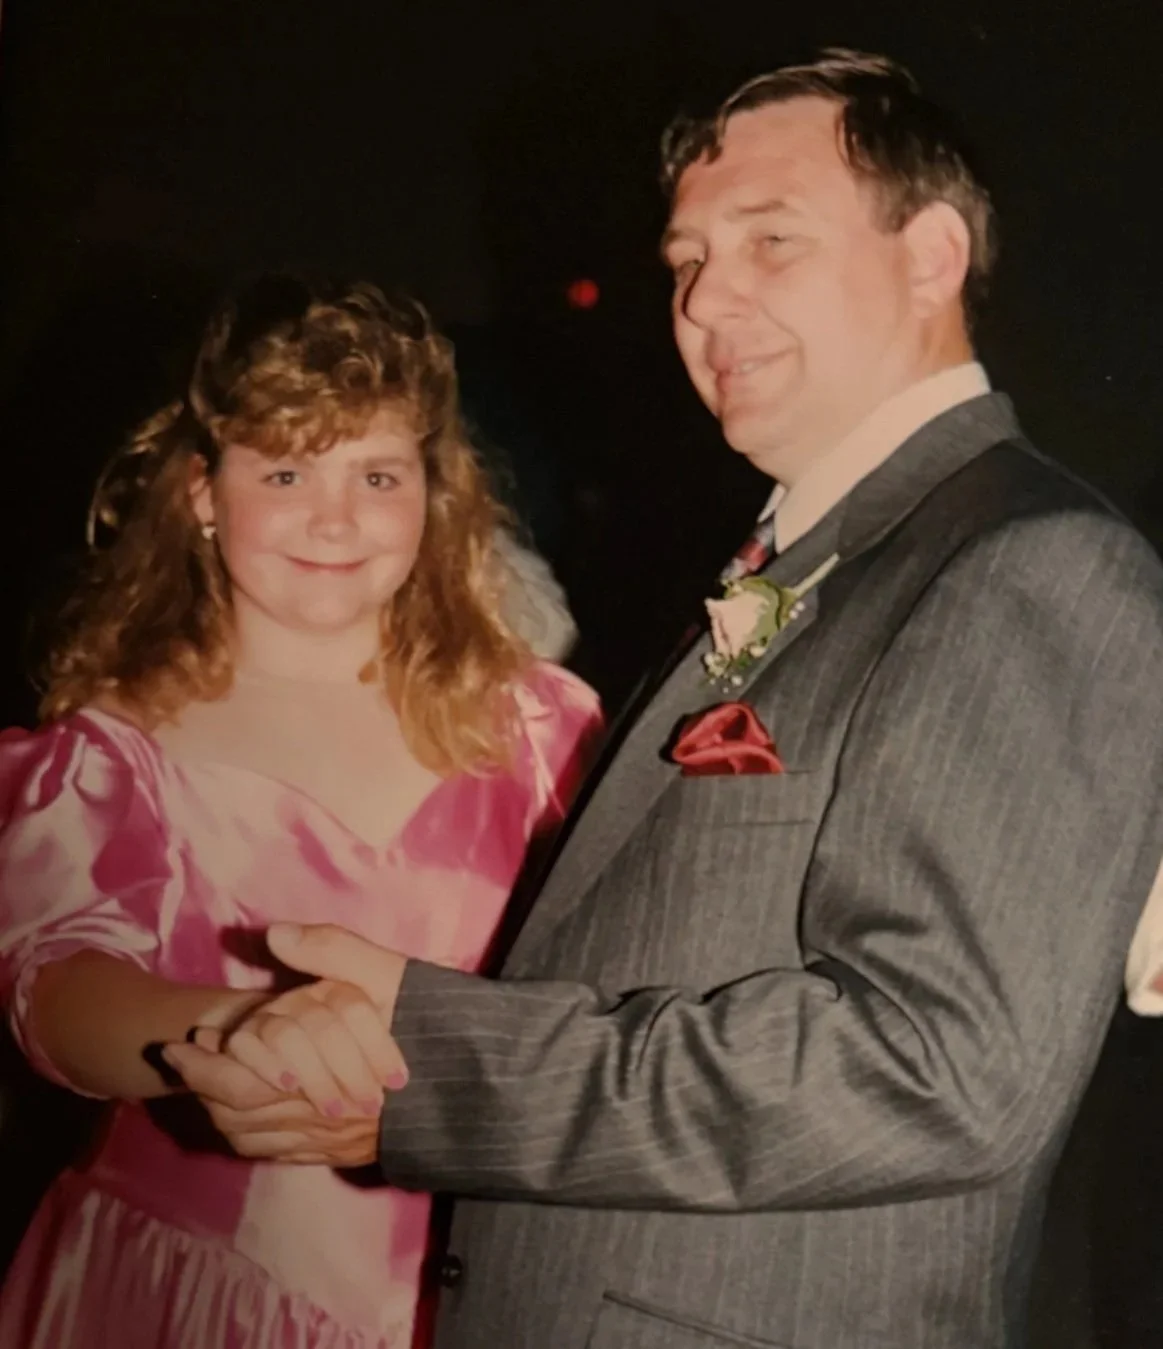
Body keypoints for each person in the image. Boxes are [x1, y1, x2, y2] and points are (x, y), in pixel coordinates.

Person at [165, 51, 1163, 1349]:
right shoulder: (814, 559)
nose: (706, 301)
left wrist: (437, 1070)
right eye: (686, 259)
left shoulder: (1025, 564)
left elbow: (931, 1068)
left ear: (927, 256)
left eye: (768, 242)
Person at [0, 273, 601, 1348]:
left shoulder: (546, 732)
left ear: (434, 491)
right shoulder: (116, 747)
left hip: (480, 1293)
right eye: (284, 469)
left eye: (377, 473)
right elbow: (55, 991)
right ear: (200, 491)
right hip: (190, 1300)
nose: (336, 516)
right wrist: (245, 1034)